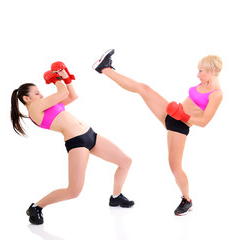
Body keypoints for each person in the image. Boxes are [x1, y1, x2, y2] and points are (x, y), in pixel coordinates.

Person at [92, 49, 223, 216]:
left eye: (201, 71)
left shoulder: (217, 94)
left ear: (212, 71)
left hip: (179, 127)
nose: (198, 75)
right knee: (143, 88)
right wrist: (178, 112)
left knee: (175, 168)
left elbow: (204, 121)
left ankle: (187, 200)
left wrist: (183, 115)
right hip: (171, 114)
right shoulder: (205, 83)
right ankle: (104, 69)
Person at [10, 61, 134, 225]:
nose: (41, 95)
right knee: (74, 191)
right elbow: (62, 92)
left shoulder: (45, 105)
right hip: (77, 143)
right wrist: (56, 79)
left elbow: (71, 96)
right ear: (27, 98)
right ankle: (36, 207)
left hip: (91, 135)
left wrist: (66, 78)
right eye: (37, 93)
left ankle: (116, 197)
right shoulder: (34, 109)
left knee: (125, 161)